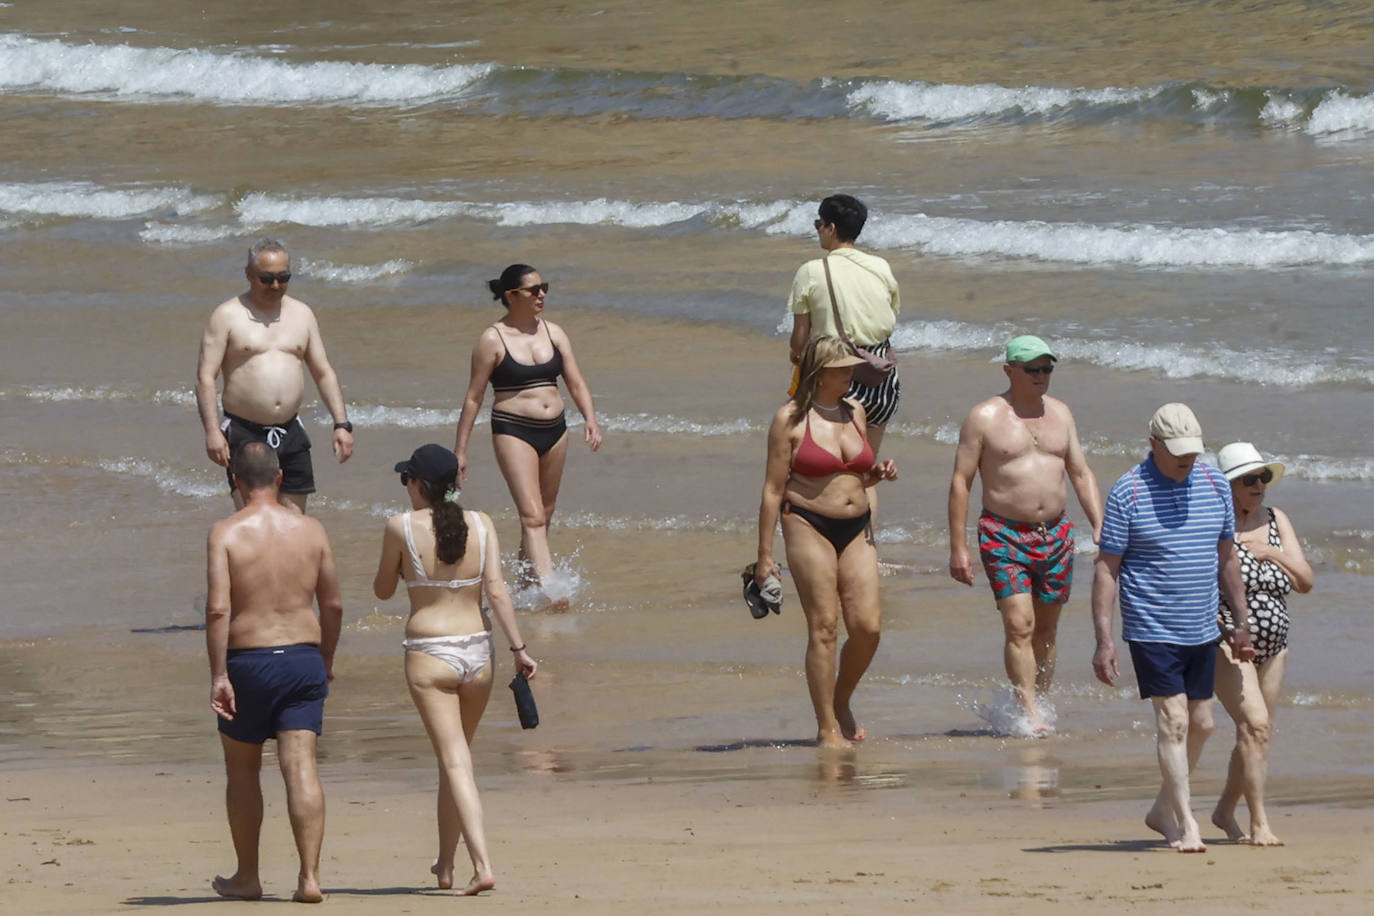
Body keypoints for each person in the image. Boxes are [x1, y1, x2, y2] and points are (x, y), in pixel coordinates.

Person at [373, 444, 537, 895]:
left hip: (430, 654)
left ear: (419, 485)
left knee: (455, 760)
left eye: (407, 480)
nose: (405, 487)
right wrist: (519, 649)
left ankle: (481, 863)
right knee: (457, 758)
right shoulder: (482, 525)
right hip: (480, 652)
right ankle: (445, 865)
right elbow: (499, 593)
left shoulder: (400, 527)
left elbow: (383, 590)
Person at [1091, 404, 1255, 853]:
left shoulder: (1215, 484)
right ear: (1154, 445)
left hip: (1202, 627)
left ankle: (1162, 809)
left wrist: (1240, 622)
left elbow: (1227, 558)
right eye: (1178, 452)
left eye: (1193, 452)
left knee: (1202, 724)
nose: (1187, 460)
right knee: (1175, 720)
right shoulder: (1129, 491)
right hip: (1151, 625)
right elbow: (1107, 569)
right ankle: (1187, 825)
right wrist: (1104, 640)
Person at [205, 442, 343, 902]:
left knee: (242, 771)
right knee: (301, 766)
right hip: (303, 658)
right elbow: (334, 604)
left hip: (249, 661)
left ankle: (248, 877)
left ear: (235, 481)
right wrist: (326, 659)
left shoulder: (225, 532)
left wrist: (219, 674)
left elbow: (219, 609)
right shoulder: (312, 529)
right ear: (280, 478)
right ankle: (309, 878)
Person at [947, 335, 1103, 736]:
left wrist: (1101, 525)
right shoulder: (984, 417)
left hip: (1056, 534)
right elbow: (961, 482)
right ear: (1009, 370)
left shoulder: (1062, 414)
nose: (1040, 376)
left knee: (1047, 631)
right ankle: (1028, 710)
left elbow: (1081, 473)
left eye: (1046, 368)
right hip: (1003, 535)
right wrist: (958, 548)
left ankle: (1038, 701)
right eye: (1031, 369)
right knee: (1020, 625)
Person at [755, 336, 898, 749]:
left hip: (857, 527)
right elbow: (771, 490)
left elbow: (859, 474)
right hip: (806, 522)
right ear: (821, 372)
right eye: (845, 367)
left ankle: (840, 699)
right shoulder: (790, 419)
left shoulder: (855, 410)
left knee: (868, 628)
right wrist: (765, 556)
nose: (853, 372)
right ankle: (827, 729)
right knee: (825, 626)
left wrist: (879, 473)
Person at [453, 264, 601, 607]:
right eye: (533, 290)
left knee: (544, 515)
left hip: (556, 430)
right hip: (513, 430)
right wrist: (460, 450)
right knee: (531, 515)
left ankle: (525, 587)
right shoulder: (492, 339)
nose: (541, 295)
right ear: (510, 296)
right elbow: (474, 397)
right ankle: (551, 590)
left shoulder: (554, 332)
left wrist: (590, 419)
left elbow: (575, 382)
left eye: (543, 287)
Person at [196, 238, 354, 513]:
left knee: (295, 522)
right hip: (245, 433)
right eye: (267, 279)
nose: (276, 286)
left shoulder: (302, 314)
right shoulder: (227, 316)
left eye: (284, 278)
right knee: (254, 521)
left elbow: (323, 372)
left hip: (291, 431)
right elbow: (205, 378)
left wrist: (342, 424)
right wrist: (212, 431)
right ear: (249, 275)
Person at [1210, 441, 1313, 846]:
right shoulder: (1216, 523)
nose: (1259, 485)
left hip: (1276, 644)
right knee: (1255, 725)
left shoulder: (1276, 519)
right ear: (1229, 484)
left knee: (1258, 733)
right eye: (1249, 479)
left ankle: (1223, 810)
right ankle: (1259, 822)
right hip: (1228, 642)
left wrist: (1272, 552)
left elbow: (1305, 581)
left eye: (1263, 477)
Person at [787, 194, 901, 456]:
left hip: (836, 376)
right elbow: (887, 317)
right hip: (880, 377)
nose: (818, 230)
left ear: (832, 228)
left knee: (818, 466)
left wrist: (796, 354)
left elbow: (799, 339)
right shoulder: (880, 266)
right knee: (864, 468)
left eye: (819, 223)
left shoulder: (811, 271)